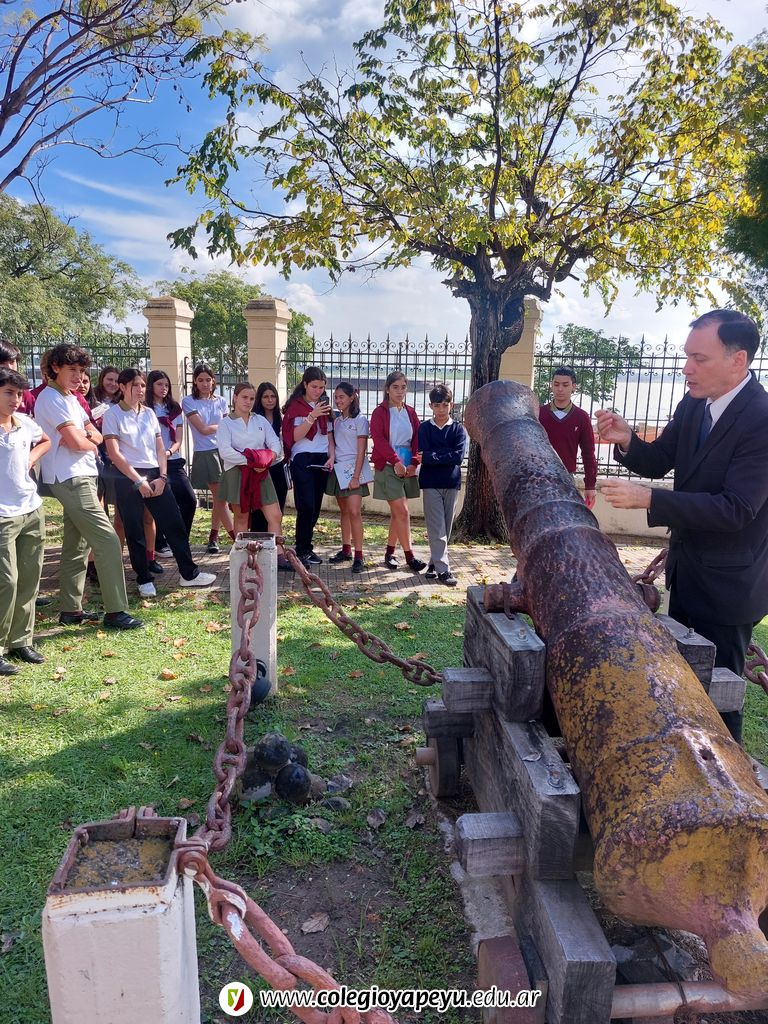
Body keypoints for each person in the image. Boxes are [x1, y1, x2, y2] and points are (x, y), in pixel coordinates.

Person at [596, 309, 768, 743]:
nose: (686, 368)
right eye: (686, 356)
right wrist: (628, 439)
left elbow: (735, 509)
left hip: (729, 587)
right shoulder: (693, 404)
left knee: (720, 699)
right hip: (686, 573)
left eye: (699, 358)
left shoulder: (762, 418)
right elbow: (660, 460)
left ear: (738, 359)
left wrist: (651, 500)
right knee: (684, 690)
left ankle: (730, 779)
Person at [33, 343, 143, 630]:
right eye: (71, 369)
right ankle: (116, 611)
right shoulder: (50, 398)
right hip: (69, 477)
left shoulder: (70, 397)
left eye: (81, 370)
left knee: (78, 544)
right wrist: (87, 439)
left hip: (82, 474)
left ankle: (71, 609)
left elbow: (95, 433)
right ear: (55, 367)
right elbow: (77, 441)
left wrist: (87, 437)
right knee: (107, 540)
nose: (78, 376)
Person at [103, 368, 217, 598]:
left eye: (142, 385)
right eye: (135, 385)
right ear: (123, 387)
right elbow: (115, 454)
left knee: (174, 523)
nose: (140, 390)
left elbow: (159, 448)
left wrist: (163, 477)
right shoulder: (112, 414)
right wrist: (138, 481)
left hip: (155, 473)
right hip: (127, 477)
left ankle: (189, 574)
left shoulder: (148, 413)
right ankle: (144, 578)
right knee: (135, 529)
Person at [0, 367, 51, 673]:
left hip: (31, 510)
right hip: (2, 517)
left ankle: (21, 641)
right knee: (6, 581)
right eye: (9, 392)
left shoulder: (24, 424)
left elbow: (45, 440)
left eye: (19, 394)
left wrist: (32, 458)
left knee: (29, 579)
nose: (16, 400)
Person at [370, 370, 426, 572]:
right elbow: (378, 440)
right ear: (387, 389)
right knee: (403, 511)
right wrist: (395, 461)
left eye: (403, 387)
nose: (400, 391)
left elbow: (417, 438)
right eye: (395, 387)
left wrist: (414, 463)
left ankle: (389, 553)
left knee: (398, 513)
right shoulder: (379, 412)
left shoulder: (410, 412)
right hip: (388, 466)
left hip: (407, 468)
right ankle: (410, 557)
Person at [282, 367, 335, 569]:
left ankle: (306, 546)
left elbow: (329, 436)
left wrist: (332, 456)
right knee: (306, 505)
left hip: (322, 458)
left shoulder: (324, 405)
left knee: (315, 507)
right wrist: (312, 416)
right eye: (314, 387)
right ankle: (301, 548)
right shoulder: (296, 406)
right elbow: (294, 437)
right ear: (305, 384)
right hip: (302, 457)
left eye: (321, 387)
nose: (318, 391)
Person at [217, 382, 284, 539]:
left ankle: (278, 551)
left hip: (261, 472)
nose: (248, 401)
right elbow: (225, 452)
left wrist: (267, 459)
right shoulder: (226, 423)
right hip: (236, 473)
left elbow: (275, 444)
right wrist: (252, 461)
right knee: (242, 517)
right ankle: (244, 553)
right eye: (244, 397)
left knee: (275, 515)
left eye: (252, 398)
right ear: (235, 398)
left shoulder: (260, 420)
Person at [182, 363, 234, 553]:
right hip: (206, 452)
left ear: (214, 381)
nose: (205, 384)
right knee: (221, 497)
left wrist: (224, 426)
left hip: (224, 450)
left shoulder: (221, 400)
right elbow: (202, 429)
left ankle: (213, 537)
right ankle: (236, 538)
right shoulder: (188, 401)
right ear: (195, 382)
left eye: (208, 380)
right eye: (200, 380)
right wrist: (223, 425)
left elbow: (230, 426)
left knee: (221, 499)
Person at [417, 384, 467, 587]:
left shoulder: (458, 429)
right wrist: (443, 455)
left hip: (451, 482)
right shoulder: (424, 428)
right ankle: (444, 571)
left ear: (451, 405)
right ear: (431, 406)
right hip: (431, 484)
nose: (441, 409)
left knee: (445, 528)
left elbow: (458, 457)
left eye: (445, 405)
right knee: (437, 528)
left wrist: (432, 457)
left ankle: (433, 564)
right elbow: (423, 454)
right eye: (437, 405)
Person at [146, 369, 197, 555]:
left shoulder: (174, 409)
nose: (164, 388)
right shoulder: (145, 409)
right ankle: (159, 543)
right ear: (151, 386)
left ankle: (180, 540)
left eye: (166, 385)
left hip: (172, 460)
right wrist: (159, 455)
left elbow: (178, 440)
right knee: (158, 505)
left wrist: (168, 452)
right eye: (159, 384)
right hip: (152, 462)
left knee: (190, 500)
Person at [326, 381, 373, 574]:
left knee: (354, 511)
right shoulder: (336, 421)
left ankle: (359, 555)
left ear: (352, 397)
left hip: (354, 471)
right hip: (339, 470)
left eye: (342, 397)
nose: (338, 401)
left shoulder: (360, 421)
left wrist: (355, 476)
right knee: (344, 511)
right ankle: (346, 549)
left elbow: (362, 451)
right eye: (336, 397)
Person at [538, 365, 597, 509]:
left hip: (567, 478)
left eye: (565, 385)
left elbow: (588, 453)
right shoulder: (539, 414)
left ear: (573, 387)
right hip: (540, 477)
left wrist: (590, 485)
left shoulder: (581, 417)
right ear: (551, 385)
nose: (560, 389)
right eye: (556, 384)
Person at [250, 382, 290, 532]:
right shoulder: (253, 419)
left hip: (277, 466)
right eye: (265, 396)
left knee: (277, 511)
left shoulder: (282, 418)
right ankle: (257, 540)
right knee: (258, 510)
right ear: (259, 399)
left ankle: (275, 541)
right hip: (259, 468)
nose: (270, 400)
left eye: (273, 396)